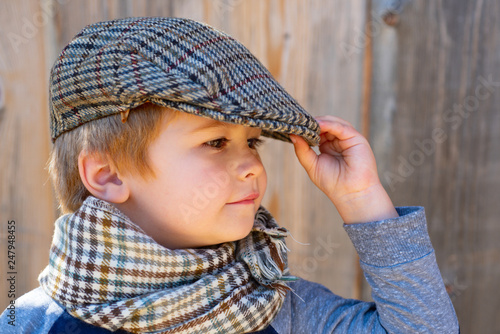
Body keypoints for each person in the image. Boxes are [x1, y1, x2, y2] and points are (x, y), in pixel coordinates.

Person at [0, 17, 459, 333]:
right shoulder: (33, 323)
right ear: (108, 175)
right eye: (216, 142)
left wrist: (361, 197)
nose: (253, 166)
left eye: (253, 142)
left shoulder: (279, 309)